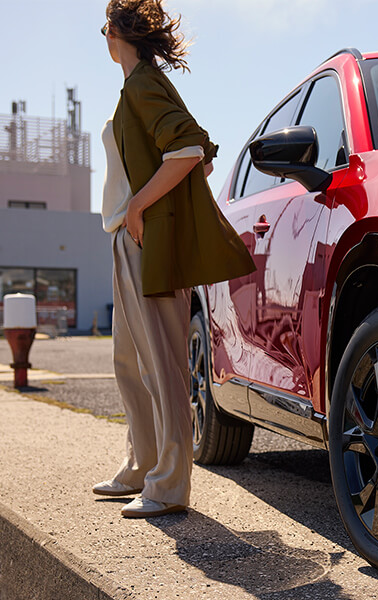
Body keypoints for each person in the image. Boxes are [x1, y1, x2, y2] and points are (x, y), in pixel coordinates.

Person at [93, 0, 255, 518]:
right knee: (129, 362)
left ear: (119, 32)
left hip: (144, 239)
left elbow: (188, 152)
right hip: (130, 238)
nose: (102, 35)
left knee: (161, 365)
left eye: (105, 26)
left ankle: (168, 485)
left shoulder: (142, 84)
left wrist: (143, 205)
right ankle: (143, 465)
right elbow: (202, 157)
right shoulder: (138, 85)